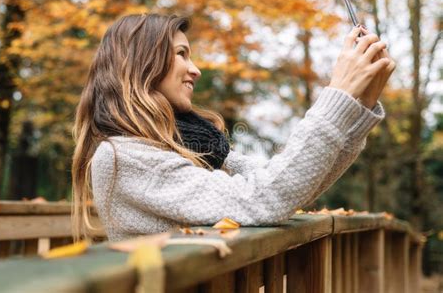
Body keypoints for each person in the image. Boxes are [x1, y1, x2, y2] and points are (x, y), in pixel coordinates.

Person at [71, 14, 395, 242]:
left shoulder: (198, 146)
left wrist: (358, 104)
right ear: (141, 63)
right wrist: (337, 94)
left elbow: (293, 179)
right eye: (182, 54)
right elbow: (265, 197)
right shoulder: (123, 157)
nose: (195, 70)